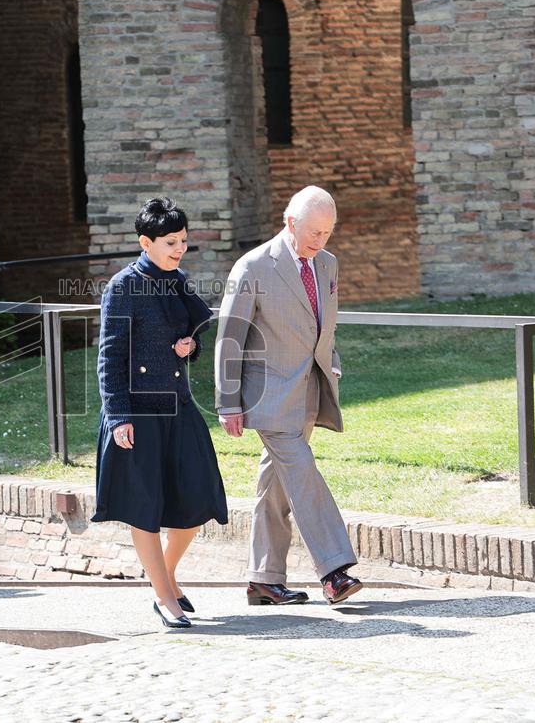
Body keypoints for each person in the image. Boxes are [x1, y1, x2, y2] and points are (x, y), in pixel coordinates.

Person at [214, 186, 361, 606]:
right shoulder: (253, 266)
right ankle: (334, 571)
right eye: (314, 232)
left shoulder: (328, 264)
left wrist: (332, 361)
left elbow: (324, 323)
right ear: (291, 223)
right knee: (302, 474)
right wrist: (228, 402)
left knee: (275, 486)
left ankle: (263, 580)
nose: (321, 240)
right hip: (268, 398)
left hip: (310, 391)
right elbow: (230, 337)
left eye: (328, 232)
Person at [93, 197, 228, 629]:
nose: (179, 249)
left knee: (199, 495)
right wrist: (118, 417)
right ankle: (165, 597)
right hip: (137, 412)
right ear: (145, 243)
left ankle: (163, 577)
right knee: (144, 506)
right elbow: (109, 358)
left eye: (183, 240)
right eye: (170, 242)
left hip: (178, 406)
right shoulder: (122, 287)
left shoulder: (177, 282)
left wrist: (190, 346)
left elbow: (190, 334)